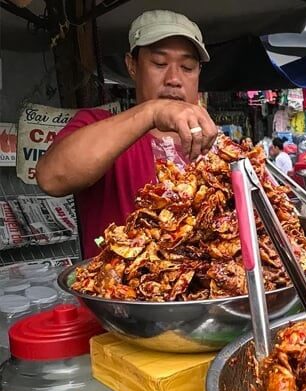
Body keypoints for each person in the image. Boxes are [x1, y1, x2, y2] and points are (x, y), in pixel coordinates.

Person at [35, 10, 217, 258]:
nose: (174, 78)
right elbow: (51, 178)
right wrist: (152, 111)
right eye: (159, 63)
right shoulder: (97, 126)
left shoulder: (217, 148)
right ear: (132, 65)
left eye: (187, 67)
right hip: (117, 293)